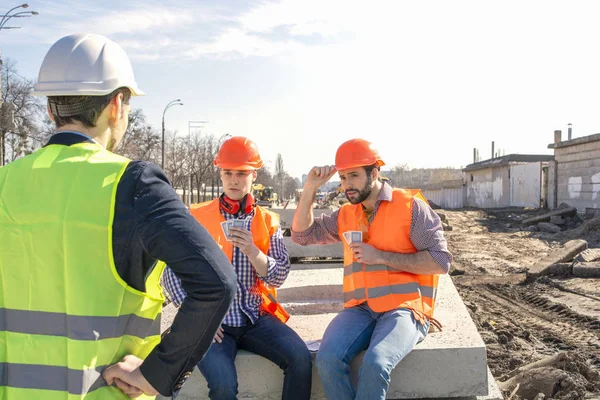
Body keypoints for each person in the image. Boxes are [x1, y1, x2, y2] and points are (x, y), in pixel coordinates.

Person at [0, 33, 236, 399]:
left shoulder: (5, 182)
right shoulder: (133, 184)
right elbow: (216, 283)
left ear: (50, 110)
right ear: (116, 105)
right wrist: (158, 373)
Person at [291, 138, 452, 400]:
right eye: (343, 177)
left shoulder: (410, 207)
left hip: (406, 307)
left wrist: (381, 256)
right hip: (361, 308)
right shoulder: (345, 214)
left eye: (353, 176)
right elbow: (302, 235)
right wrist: (310, 187)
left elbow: (440, 262)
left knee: (376, 363)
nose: (347, 184)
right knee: (328, 359)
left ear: (374, 173)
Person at [162, 136, 313, 400]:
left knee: (301, 359)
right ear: (220, 173)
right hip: (213, 323)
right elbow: (170, 273)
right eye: (228, 172)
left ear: (254, 175)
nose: (234, 180)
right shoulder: (196, 216)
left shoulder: (267, 220)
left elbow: (279, 276)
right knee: (223, 385)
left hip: (255, 317)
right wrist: (197, 317)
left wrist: (254, 253)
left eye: (241, 173)